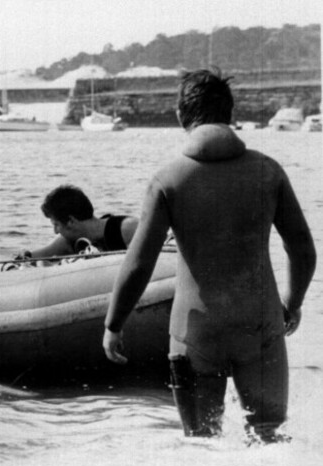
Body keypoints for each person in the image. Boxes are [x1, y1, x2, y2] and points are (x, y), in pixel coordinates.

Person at [102, 69, 316, 442]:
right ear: (230, 113)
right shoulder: (268, 171)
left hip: (194, 333)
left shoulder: (168, 180)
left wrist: (113, 325)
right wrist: (292, 302)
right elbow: (302, 249)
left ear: (180, 115)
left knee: (201, 446)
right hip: (260, 326)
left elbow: (139, 263)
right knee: (269, 439)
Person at [19, 185, 138, 259]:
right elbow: (38, 255)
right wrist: (24, 255)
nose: (55, 232)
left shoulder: (127, 229)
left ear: (71, 221)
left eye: (56, 225)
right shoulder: (69, 241)